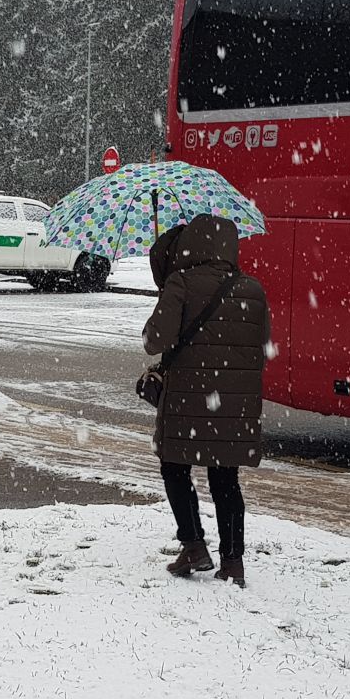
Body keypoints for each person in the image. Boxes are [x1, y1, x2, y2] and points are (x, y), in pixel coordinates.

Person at [142, 214, 271, 586]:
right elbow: (262, 349)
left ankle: (195, 546)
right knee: (225, 478)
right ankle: (233, 562)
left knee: (174, 467)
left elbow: (155, 341)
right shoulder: (253, 289)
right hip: (233, 403)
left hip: (186, 398)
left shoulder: (180, 283)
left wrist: (163, 304)